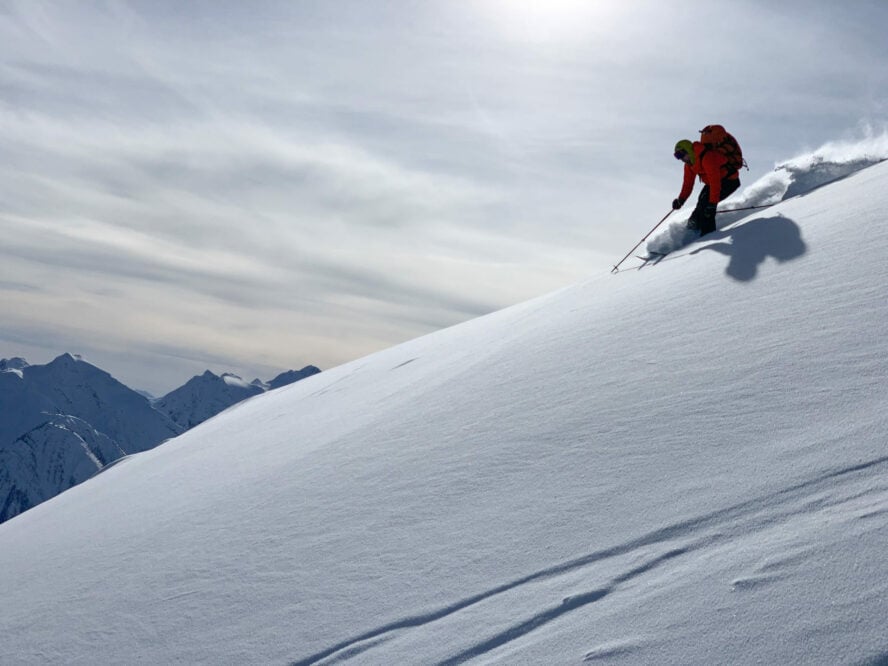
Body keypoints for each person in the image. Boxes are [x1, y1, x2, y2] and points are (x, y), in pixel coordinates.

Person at [671, 136, 741, 236]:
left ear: (688, 150)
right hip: (713, 183)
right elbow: (688, 184)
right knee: (701, 203)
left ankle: (707, 237)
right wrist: (680, 200)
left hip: (729, 181)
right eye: (677, 156)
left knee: (707, 207)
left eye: (681, 155)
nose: (681, 159)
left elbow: (715, 182)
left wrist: (712, 204)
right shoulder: (689, 164)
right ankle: (690, 233)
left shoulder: (707, 157)